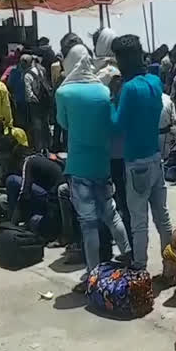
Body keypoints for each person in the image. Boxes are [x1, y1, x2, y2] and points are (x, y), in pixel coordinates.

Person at [55, 44, 131, 288]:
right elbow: (110, 123)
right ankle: (129, 256)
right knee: (111, 213)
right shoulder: (101, 89)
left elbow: (63, 123)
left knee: (88, 223)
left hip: (78, 165)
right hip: (102, 162)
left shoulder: (64, 92)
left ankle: (93, 273)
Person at [110, 34, 173, 271]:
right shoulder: (154, 82)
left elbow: (117, 125)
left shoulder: (128, 89)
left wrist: (111, 100)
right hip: (156, 157)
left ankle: (139, 268)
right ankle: (170, 266)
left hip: (136, 161)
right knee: (162, 217)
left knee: (138, 222)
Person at [23, 54, 51, 151]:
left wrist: (34, 100)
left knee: (37, 127)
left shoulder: (27, 75)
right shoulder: (41, 70)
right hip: (45, 101)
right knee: (45, 125)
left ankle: (39, 149)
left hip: (35, 104)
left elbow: (29, 93)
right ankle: (48, 146)